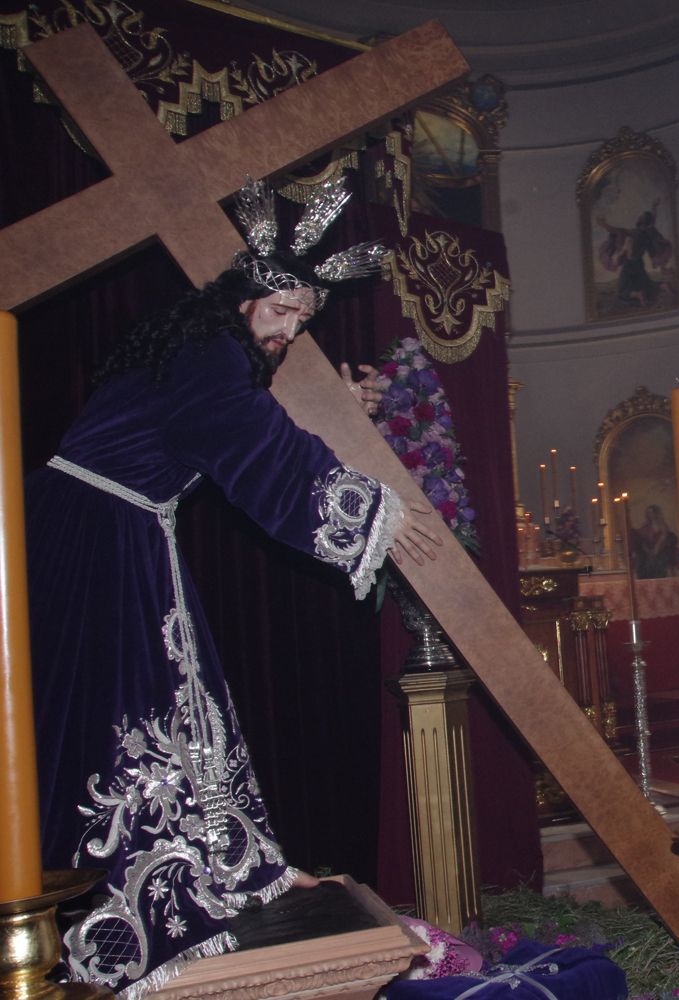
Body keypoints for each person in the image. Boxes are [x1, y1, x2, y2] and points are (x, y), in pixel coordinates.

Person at [26, 179, 441, 996]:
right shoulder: (209, 354)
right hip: (96, 538)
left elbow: (248, 426)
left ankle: (235, 869)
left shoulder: (204, 356)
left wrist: (335, 418)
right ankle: (138, 900)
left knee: (183, 697)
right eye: (281, 312)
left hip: (118, 530)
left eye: (301, 321)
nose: (288, 333)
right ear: (244, 296)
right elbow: (251, 443)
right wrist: (364, 514)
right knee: (130, 705)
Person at [631, 502, 679, 579]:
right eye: (648, 513)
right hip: (648, 551)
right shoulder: (646, 526)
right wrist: (648, 550)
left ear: (656, 513)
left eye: (652, 512)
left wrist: (656, 549)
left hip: (661, 549)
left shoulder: (662, 525)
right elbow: (642, 540)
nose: (650, 515)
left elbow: (664, 537)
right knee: (643, 560)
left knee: (661, 559)